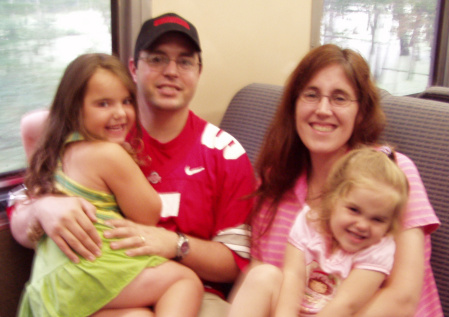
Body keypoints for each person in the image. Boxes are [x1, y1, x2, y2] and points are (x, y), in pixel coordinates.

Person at [10, 13, 255, 317]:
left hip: (189, 292)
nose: (171, 71)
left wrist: (174, 243)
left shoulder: (226, 154)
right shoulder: (101, 132)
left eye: (185, 62)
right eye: (156, 59)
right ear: (133, 69)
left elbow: (236, 264)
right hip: (101, 279)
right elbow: (21, 216)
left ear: (198, 71)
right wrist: (42, 207)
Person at [228, 44, 442, 316]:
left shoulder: (392, 173)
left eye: (340, 98)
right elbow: (263, 279)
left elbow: (403, 298)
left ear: (361, 112)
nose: (323, 109)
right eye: (311, 95)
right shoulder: (276, 179)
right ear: (294, 104)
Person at [17, 53, 203, 317]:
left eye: (126, 101)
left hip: (51, 283)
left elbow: (29, 124)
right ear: (74, 109)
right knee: (184, 281)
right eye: (103, 104)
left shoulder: (57, 146)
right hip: (89, 271)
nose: (119, 113)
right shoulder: (109, 154)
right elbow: (148, 215)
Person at [229, 147, 410, 317]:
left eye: (377, 219)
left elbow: (346, 304)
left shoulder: (379, 249)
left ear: (389, 226)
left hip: (336, 313)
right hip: (296, 304)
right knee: (263, 275)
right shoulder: (310, 221)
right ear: (333, 200)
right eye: (354, 210)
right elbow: (293, 275)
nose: (363, 225)